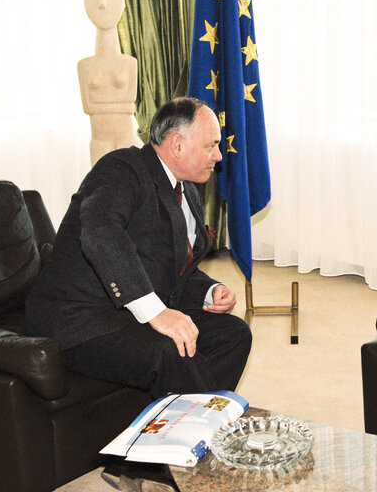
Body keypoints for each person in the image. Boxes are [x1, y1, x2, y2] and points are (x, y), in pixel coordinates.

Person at [25, 97, 252, 399]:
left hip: (127, 314)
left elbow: (169, 264)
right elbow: (101, 232)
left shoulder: (188, 191)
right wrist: (157, 312)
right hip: (82, 319)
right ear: (178, 145)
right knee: (172, 350)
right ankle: (202, 430)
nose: (219, 156)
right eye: (211, 145)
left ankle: (195, 416)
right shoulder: (121, 170)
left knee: (233, 334)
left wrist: (208, 291)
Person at [78, 0, 144, 165]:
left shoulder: (130, 63)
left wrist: (103, 104)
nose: (103, 2)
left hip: (125, 137)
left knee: (131, 186)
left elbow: (130, 105)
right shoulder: (84, 66)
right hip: (99, 139)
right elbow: (88, 107)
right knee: (101, 187)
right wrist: (116, 104)